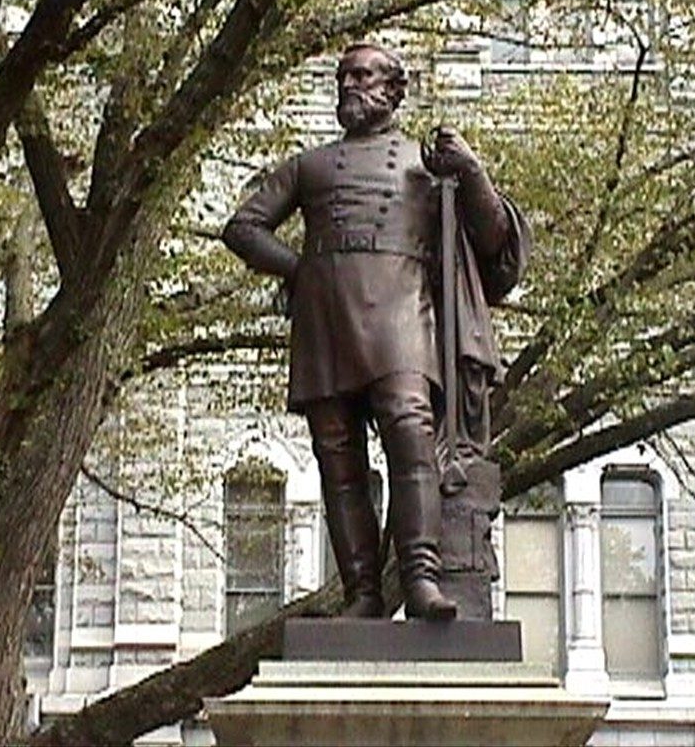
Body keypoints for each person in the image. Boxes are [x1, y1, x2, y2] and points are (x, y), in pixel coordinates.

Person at [221, 43, 529, 620]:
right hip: (327, 323)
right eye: (343, 77)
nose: (349, 86)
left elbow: (493, 245)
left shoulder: (427, 166)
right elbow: (243, 226)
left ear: (393, 90)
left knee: (411, 436)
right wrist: (303, 270)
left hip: (401, 317)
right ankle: (363, 593)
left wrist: (473, 171)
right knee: (339, 461)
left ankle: (420, 579)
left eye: (362, 76)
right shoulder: (311, 165)